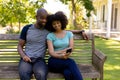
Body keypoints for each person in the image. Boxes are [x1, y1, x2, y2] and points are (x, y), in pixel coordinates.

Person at [46, 11, 83, 80]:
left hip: (65, 60)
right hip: (53, 62)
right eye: (54, 24)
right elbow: (51, 52)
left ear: (61, 22)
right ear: (51, 25)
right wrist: (61, 55)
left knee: (67, 73)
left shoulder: (69, 34)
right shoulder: (50, 36)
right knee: (71, 62)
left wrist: (64, 54)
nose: (56, 25)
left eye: (58, 23)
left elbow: (71, 47)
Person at [17, 8, 49, 80]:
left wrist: (78, 31)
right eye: (42, 18)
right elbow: (19, 46)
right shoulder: (27, 28)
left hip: (39, 60)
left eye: (46, 18)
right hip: (26, 59)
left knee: (41, 75)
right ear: (36, 17)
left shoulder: (48, 30)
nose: (44, 20)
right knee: (24, 75)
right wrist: (24, 56)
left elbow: (61, 31)